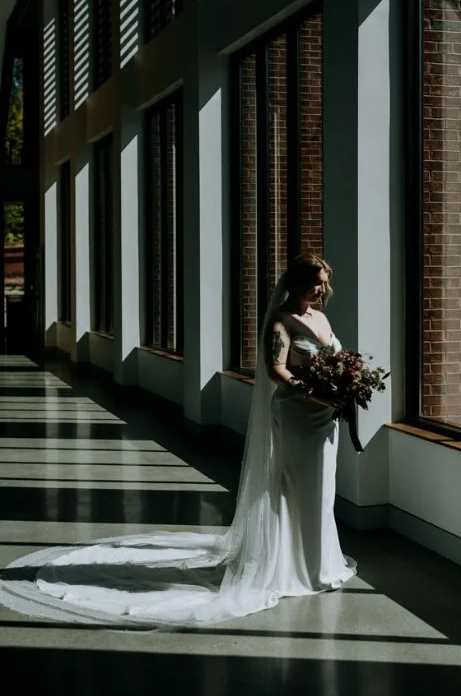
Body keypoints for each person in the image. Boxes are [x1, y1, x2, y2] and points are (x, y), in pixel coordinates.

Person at [0, 254, 356, 628]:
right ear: (296, 281)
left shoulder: (321, 316)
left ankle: (320, 563)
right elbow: (276, 370)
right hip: (298, 414)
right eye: (315, 281)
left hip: (323, 417)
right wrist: (311, 391)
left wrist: (342, 384)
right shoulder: (281, 323)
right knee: (296, 487)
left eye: (323, 282)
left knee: (321, 488)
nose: (321, 289)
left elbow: (333, 357)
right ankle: (291, 566)